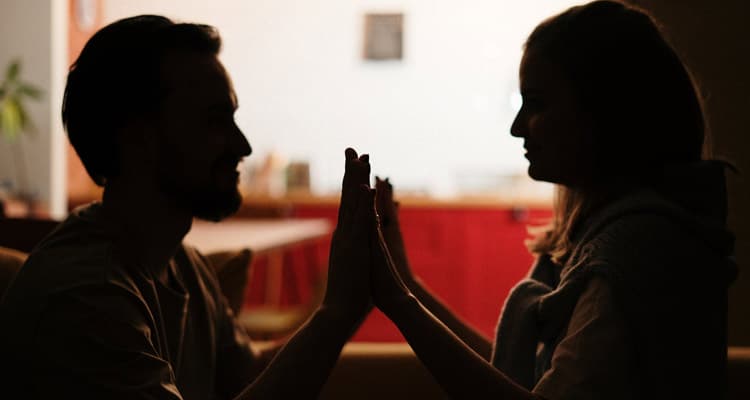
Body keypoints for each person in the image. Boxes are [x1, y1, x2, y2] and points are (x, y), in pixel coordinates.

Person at [367, 1, 736, 399]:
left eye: (537, 103)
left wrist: (398, 299)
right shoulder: (601, 236)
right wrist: (406, 285)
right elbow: (511, 379)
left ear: (606, 112)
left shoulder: (635, 250)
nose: (516, 127)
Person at [0, 15, 376, 399]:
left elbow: (248, 377)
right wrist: (333, 315)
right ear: (136, 138)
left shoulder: (183, 264)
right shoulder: (85, 294)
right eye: (215, 121)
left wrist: (350, 303)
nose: (242, 145)